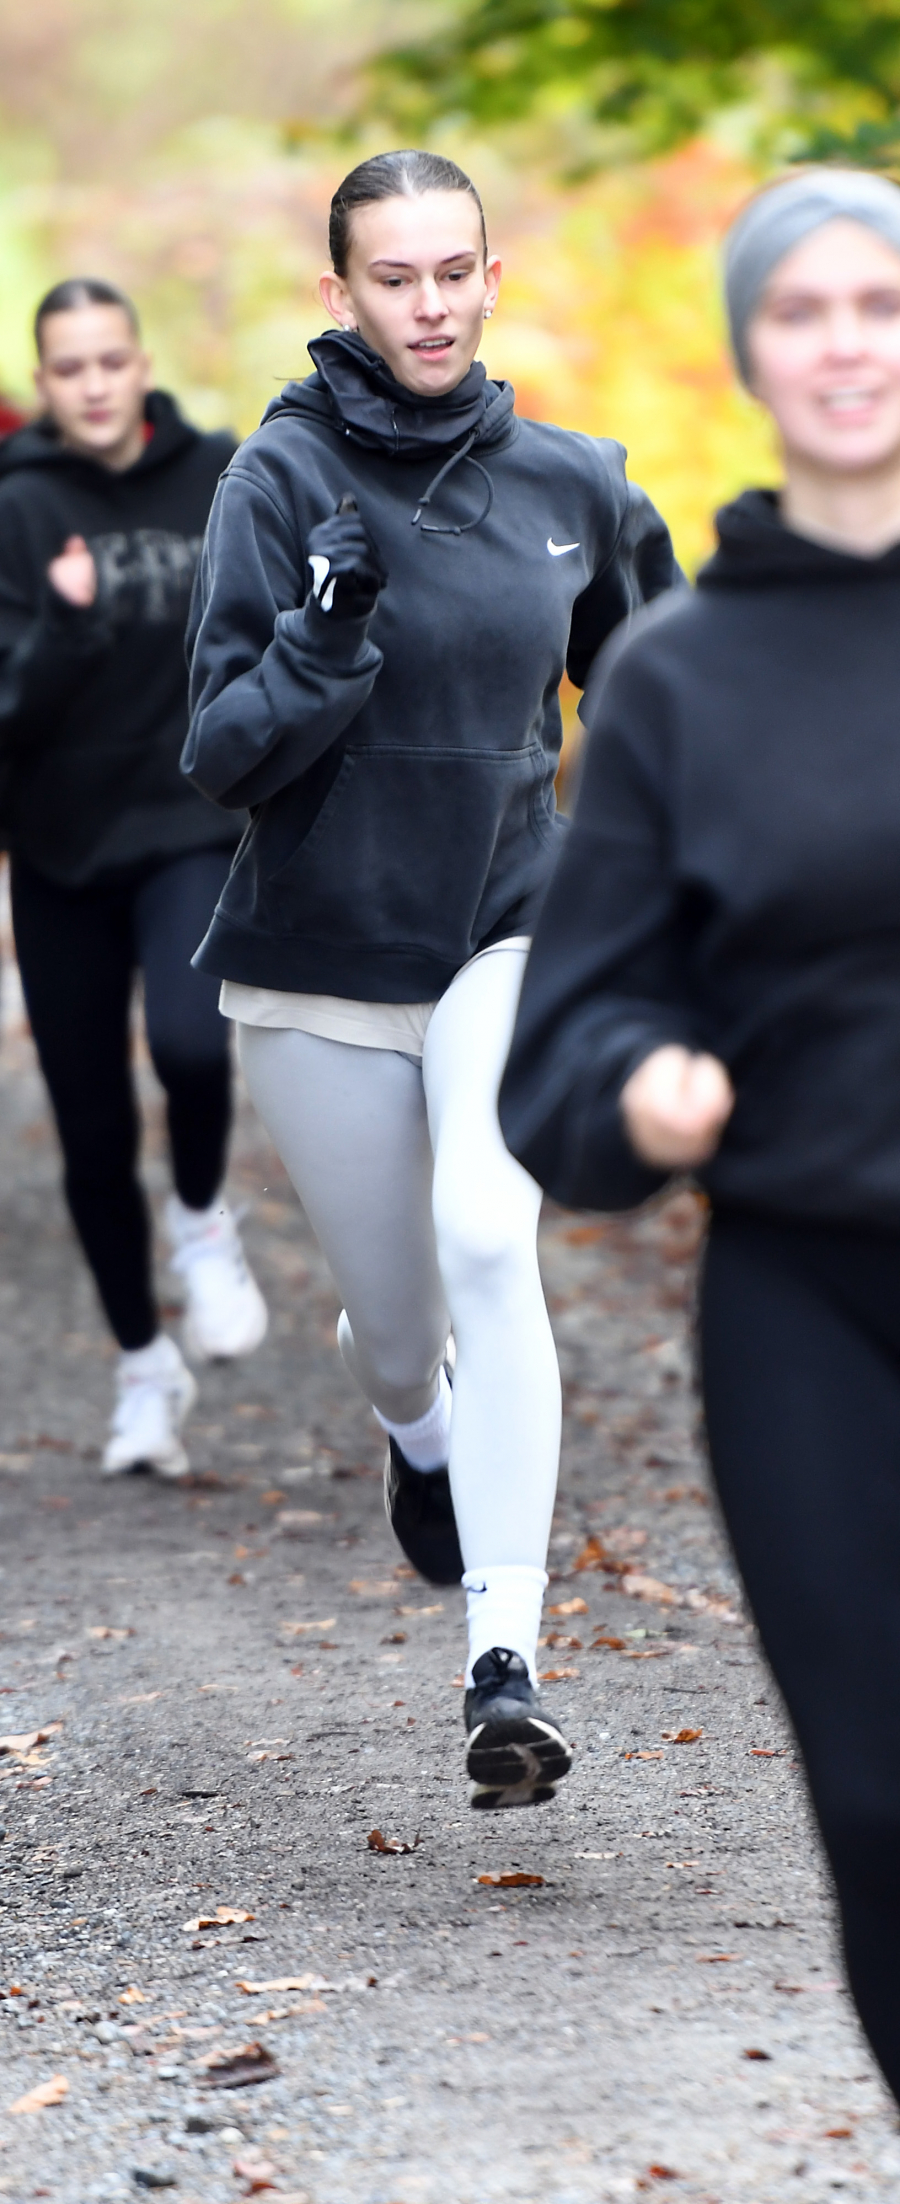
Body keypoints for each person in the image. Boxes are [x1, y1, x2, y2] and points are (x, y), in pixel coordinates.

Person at [184, 148, 678, 1809]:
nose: (431, 303)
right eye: (394, 278)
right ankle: (412, 1422)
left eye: (454, 270)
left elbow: (668, 696)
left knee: (489, 1228)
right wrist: (324, 637)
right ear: (341, 294)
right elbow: (217, 755)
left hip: (504, 930)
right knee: (402, 1333)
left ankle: (504, 1660)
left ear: (489, 270)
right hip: (319, 967)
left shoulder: (574, 482)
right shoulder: (275, 479)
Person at [499, 166, 900, 2092]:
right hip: (807, 1303)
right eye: (804, 309)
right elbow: (567, 1049)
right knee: (888, 1812)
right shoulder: (680, 673)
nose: (846, 342)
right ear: (750, 349)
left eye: (877, 303)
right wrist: (640, 1080)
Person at [0, 277, 268, 1481]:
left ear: (141, 362)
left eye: (112, 360)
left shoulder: (220, 474)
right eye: (70, 367)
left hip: (189, 821)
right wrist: (64, 625)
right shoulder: (18, 506)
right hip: (58, 851)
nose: (96, 384)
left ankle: (205, 1213)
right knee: (94, 1136)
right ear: (44, 383)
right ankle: (142, 1369)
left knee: (195, 1043)